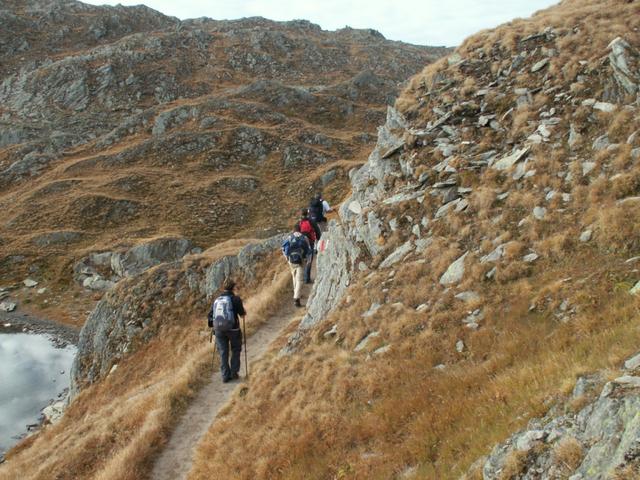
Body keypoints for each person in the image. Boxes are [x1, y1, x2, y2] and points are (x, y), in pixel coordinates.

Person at [208, 279, 246, 383]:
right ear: (233, 288)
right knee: (236, 349)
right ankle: (234, 372)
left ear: (223, 288)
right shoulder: (236, 299)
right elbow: (242, 314)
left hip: (219, 330)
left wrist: (214, 326)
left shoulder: (217, 300)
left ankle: (225, 375)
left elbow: (210, 315)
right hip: (233, 329)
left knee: (223, 352)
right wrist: (243, 313)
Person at [281, 224, 311, 307]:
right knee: (300, 280)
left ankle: (296, 294)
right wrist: (307, 260)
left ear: (293, 230)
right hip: (301, 261)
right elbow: (308, 250)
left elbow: (283, 248)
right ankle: (296, 298)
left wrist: (287, 258)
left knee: (294, 277)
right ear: (300, 230)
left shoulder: (289, 238)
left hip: (291, 261)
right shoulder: (304, 238)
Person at [296, 208, 321, 284]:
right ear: (307, 213)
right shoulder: (311, 221)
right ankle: (307, 278)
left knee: (302, 260)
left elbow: (295, 233)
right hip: (310, 242)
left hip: (301, 244)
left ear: (301, 214)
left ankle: (302, 278)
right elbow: (317, 231)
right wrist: (318, 238)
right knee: (309, 260)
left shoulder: (299, 223)